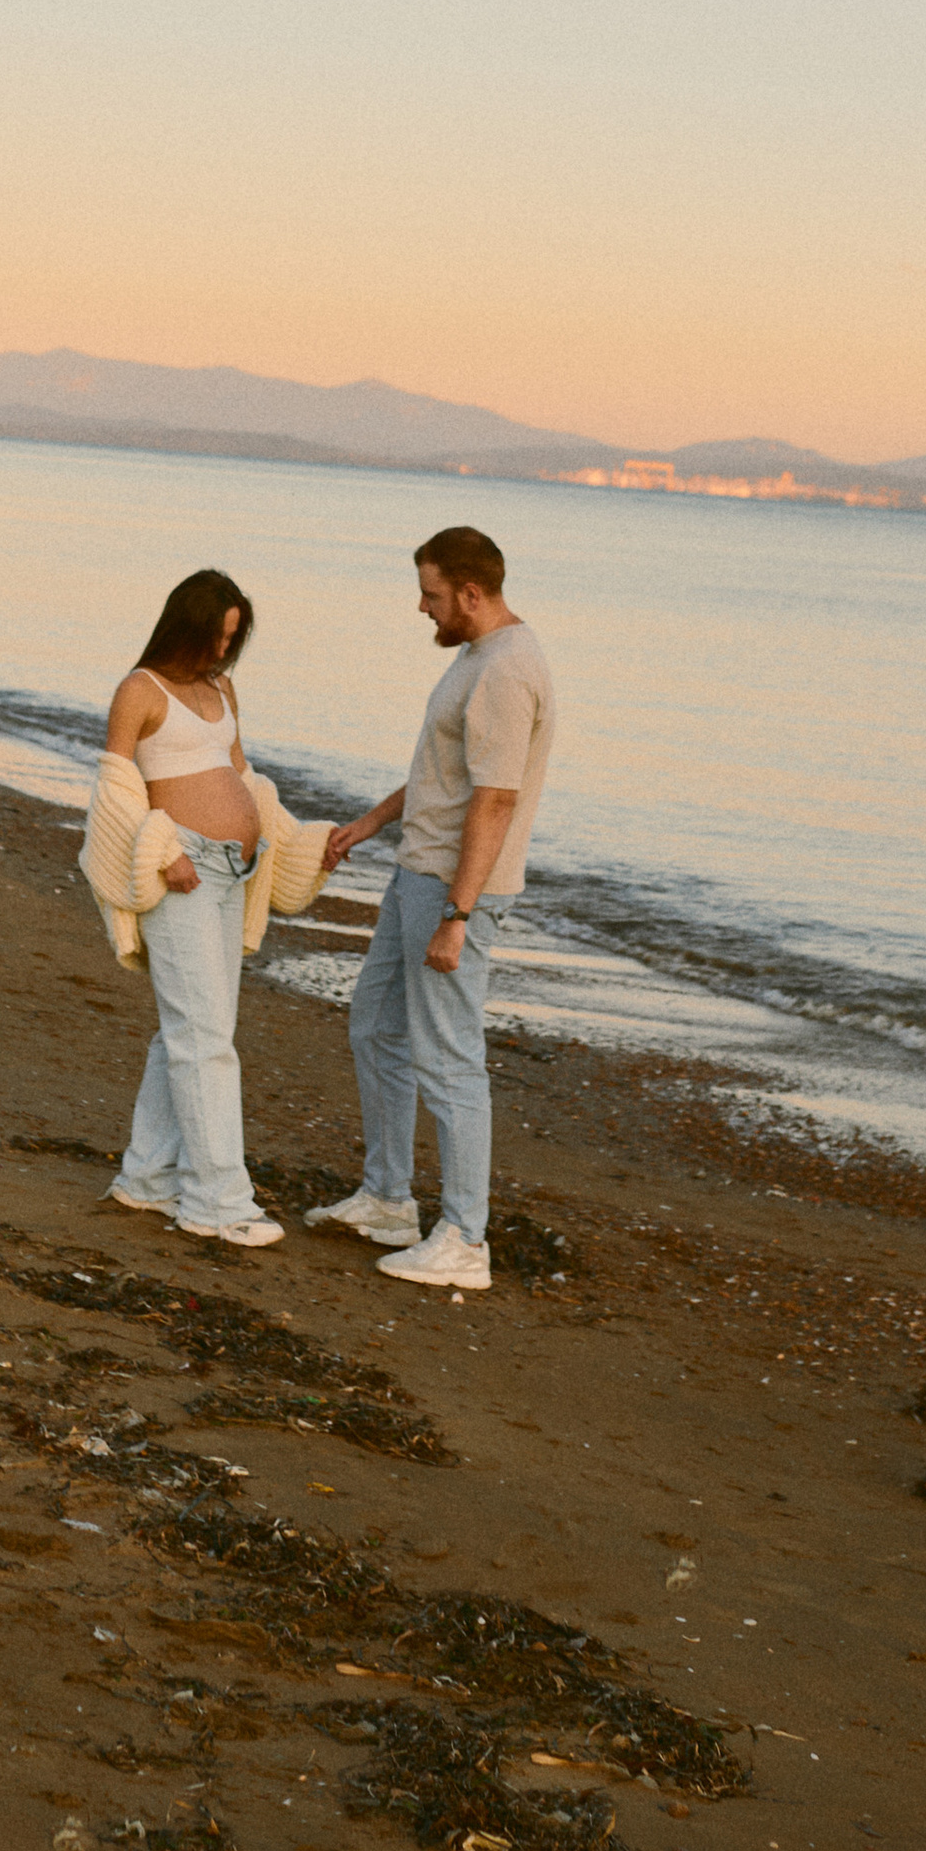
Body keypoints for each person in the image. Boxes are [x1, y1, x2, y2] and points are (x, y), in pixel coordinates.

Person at [307, 525, 556, 1291]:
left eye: (432, 594)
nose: (423, 608)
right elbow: (444, 776)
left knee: (449, 1059)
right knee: (377, 1026)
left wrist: (458, 914)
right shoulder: (475, 660)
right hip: (418, 875)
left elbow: (496, 799)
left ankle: (465, 1241)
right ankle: (386, 1199)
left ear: (471, 593)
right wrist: (372, 823)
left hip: (453, 892)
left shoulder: (508, 671)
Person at [83, 568, 288, 1249]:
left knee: (192, 1030)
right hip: (181, 874)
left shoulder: (222, 688)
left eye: (233, 640)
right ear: (186, 626)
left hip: (232, 871)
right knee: (204, 1041)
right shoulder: (139, 690)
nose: (222, 653)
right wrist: (160, 847)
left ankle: (145, 1178)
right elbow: (115, 788)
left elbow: (238, 771)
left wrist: (277, 838)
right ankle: (216, 1202)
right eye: (215, 637)